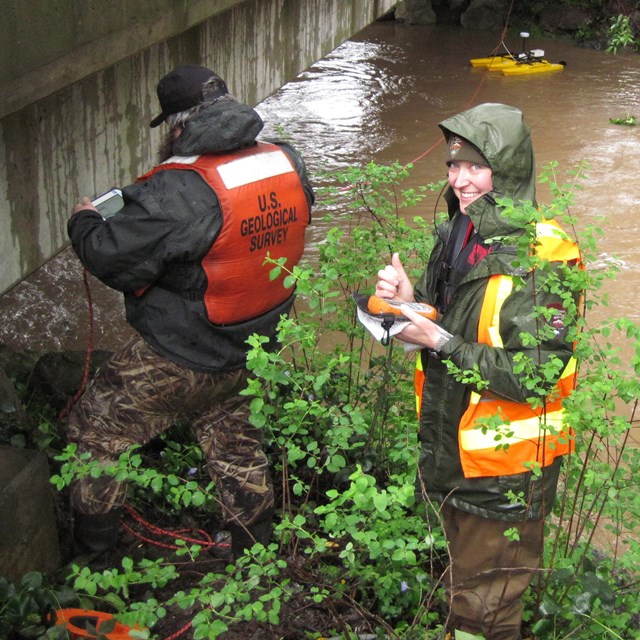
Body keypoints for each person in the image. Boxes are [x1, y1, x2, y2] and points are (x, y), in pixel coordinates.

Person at [66, 64, 314, 559]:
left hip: (183, 351)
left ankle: (96, 556)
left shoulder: (177, 189)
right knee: (233, 437)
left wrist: (84, 220)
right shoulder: (286, 159)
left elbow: (112, 258)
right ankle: (250, 549)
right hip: (257, 343)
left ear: (177, 127)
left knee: (94, 429)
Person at [374, 103, 580, 639]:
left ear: (507, 169)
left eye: (477, 167)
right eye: (453, 165)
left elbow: (536, 378)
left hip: (506, 472)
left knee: (485, 613)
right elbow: (457, 325)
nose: (461, 180)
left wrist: (437, 339)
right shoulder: (457, 235)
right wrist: (410, 303)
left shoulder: (543, 255)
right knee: (464, 592)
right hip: (451, 451)